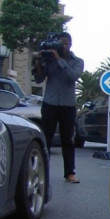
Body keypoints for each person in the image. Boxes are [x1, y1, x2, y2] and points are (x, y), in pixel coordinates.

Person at [33, 32, 84, 184]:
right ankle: (43, 171)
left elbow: (73, 76)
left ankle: (70, 173)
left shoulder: (77, 61)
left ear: (70, 44)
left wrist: (59, 60)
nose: (63, 46)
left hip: (68, 105)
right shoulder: (49, 59)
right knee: (46, 139)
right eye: (61, 43)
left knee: (68, 140)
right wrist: (38, 61)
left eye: (65, 43)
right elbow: (39, 79)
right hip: (50, 104)